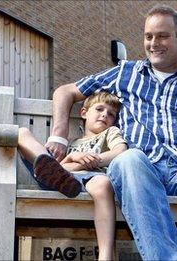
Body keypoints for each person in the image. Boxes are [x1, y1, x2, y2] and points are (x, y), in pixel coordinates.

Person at [45, 4, 177, 261]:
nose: (154, 43)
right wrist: (59, 134)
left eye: (162, 36)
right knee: (129, 159)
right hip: (139, 168)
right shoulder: (125, 73)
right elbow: (65, 91)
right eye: (149, 36)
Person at [18, 91, 127, 260]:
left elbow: (120, 151)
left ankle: (105, 257)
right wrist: (71, 156)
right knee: (22, 132)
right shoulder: (72, 143)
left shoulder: (110, 132)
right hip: (63, 179)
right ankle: (43, 160)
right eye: (99, 109)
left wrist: (93, 161)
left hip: (92, 178)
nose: (105, 114)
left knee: (103, 184)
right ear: (84, 113)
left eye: (111, 114)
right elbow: (60, 170)